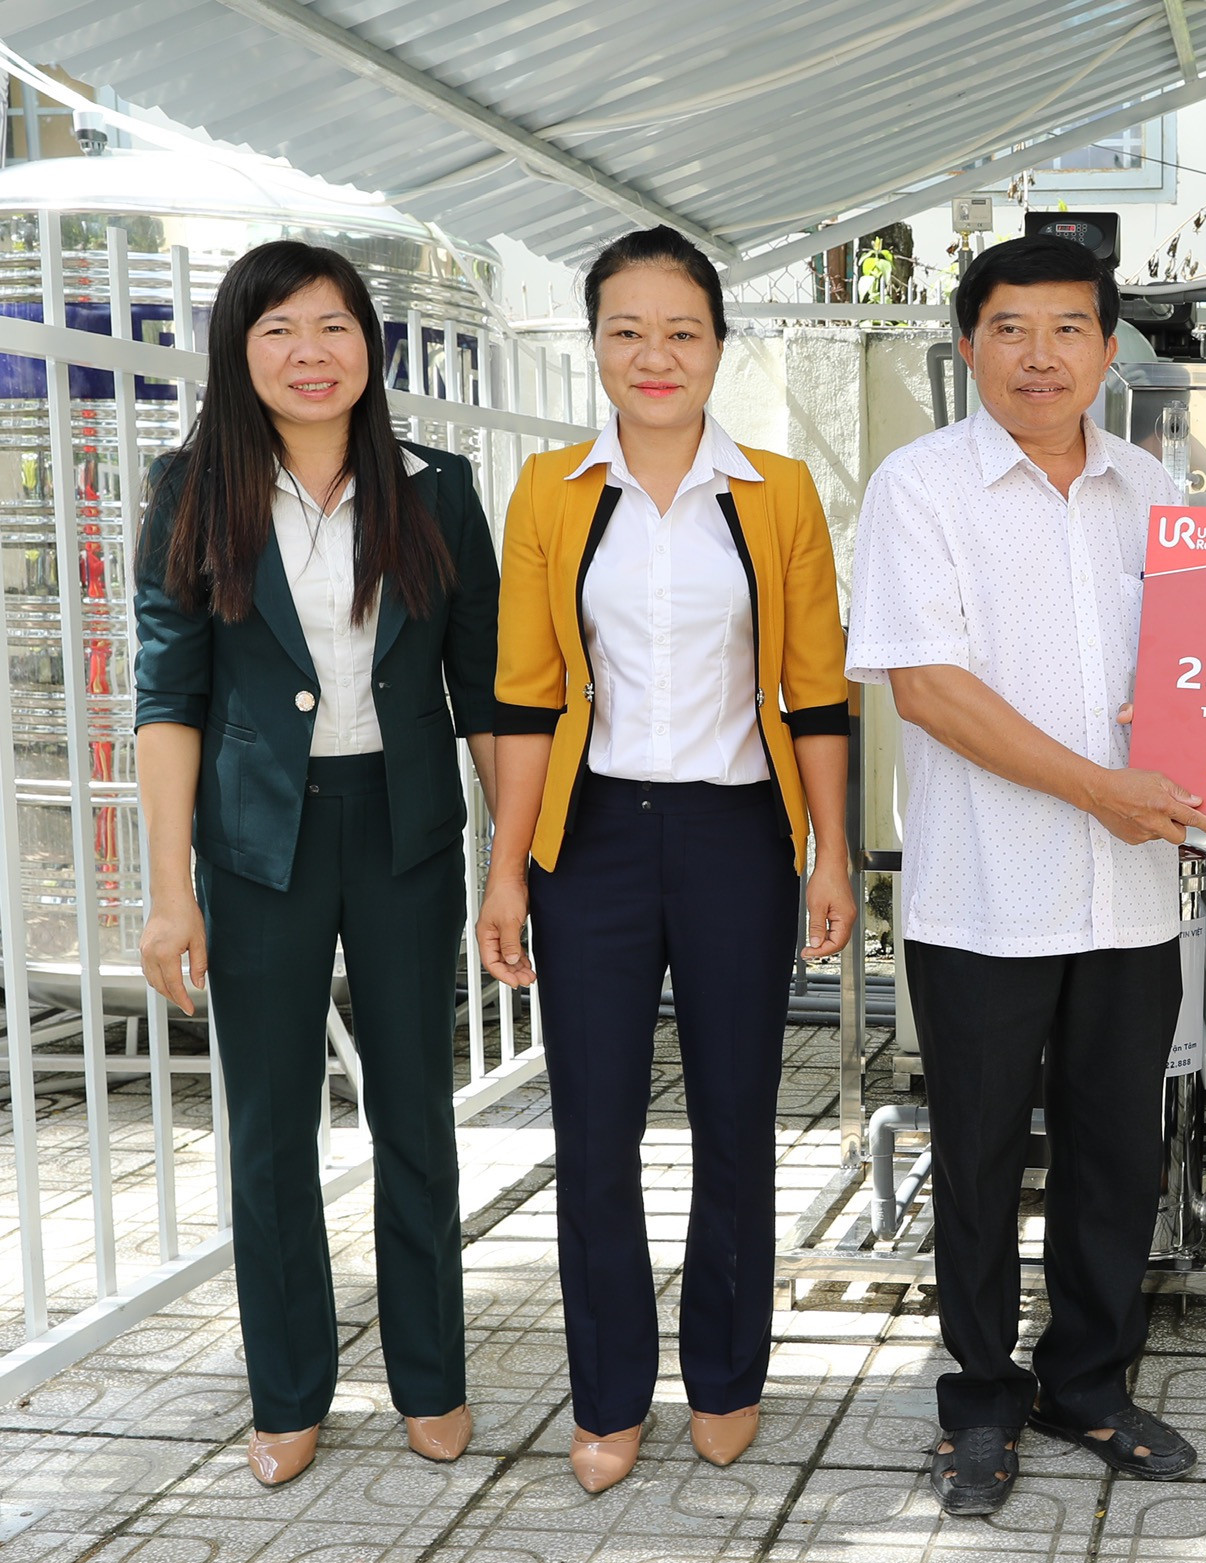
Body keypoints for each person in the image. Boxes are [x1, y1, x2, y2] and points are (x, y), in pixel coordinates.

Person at [844, 233, 1206, 1517]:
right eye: (1010, 328)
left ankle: (1088, 1385)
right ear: (969, 347)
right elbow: (930, 689)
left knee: (1117, 1154)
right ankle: (979, 1397)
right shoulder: (921, 487)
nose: (1039, 355)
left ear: (1109, 350)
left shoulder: (1154, 494)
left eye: (1068, 329)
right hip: (981, 897)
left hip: (1129, 901)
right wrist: (1101, 790)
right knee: (980, 1160)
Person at [475, 226, 854, 1494]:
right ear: (593, 345)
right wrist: (507, 869)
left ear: (719, 347)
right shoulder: (549, 490)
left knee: (738, 1118)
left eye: (681, 331)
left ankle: (728, 1375)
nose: (655, 355)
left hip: (739, 834)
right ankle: (607, 1395)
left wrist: (830, 856)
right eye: (627, 330)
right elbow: (524, 695)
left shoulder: (778, 492)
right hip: (590, 840)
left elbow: (816, 692)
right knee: (595, 1129)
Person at [134, 240, 499, 1486]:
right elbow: (169, 699)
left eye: (334, 326)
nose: (310, 353)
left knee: (416, 1114)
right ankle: (287, 1391)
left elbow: (484, 692)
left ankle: (431, 1378)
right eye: (278, 329)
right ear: (239, 352)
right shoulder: (190, 492)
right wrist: (170, 891)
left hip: (404, 835)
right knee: (271, 1128)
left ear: (370, 345)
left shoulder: (437, 490)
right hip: (257, 848)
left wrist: (512, 862)